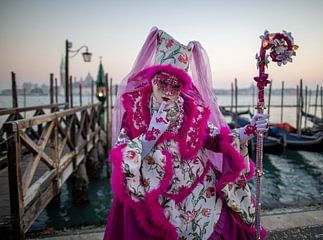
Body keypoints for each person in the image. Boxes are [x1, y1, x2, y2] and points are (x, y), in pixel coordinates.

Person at [104, 27, 268, 240]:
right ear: (153, 79)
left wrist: (248, 130)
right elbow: (123, 155)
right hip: (153, 192)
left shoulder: (191, 109)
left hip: (200, 189)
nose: (168, 91)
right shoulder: (136, 109)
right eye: (163, 82)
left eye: (176, 85)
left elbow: (214, 139)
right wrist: (151, 134)